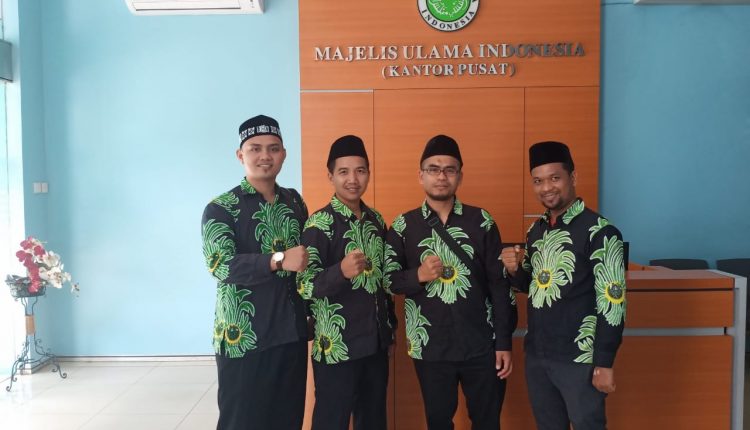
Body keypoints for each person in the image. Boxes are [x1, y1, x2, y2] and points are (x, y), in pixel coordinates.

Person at [385, 134, 517, 430]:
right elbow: (388, 280)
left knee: (487, 421)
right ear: (421, 175)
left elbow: (499, 285)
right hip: (429, 346)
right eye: (433, 169)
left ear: (460, 175)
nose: (441, 176)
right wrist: (418, 275)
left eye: (449, 169)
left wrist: (503, 342)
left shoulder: (481, 221)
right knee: (438, 422)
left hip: (481, 343)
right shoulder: (403, 226)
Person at [500, 140, 626, 430]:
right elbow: (532, 285)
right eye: (538, 181)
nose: (547, 187)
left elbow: (613, 303)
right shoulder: (536, 230)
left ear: (573, 177)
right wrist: (514, 270)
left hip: (580, 358)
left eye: (555, 178)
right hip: (538, 354)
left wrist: (604, 362)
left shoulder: (600, 232)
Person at [201, 114, 309, 430]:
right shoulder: (221, 207)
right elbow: (220, 265)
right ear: (240, 155)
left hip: (290, 333)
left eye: (273, 148)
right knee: (242, 421)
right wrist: (278, 260)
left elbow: (305, 262)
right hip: (244, 338)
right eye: (255, 148)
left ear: (284, 154)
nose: (265, 156)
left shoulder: (294, 202)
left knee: (287, 420)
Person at [297, 135, 396, 430]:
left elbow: (384, 283)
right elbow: (305, 285)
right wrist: (339, 271)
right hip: (336, 348)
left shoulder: (376, 221)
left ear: (368, 173)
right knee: (331, 421)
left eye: (360, 171)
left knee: (373, 420)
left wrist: (389, 330)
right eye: (343, 172)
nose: (353, 179)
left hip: (374, 345)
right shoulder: (318, 225)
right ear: (330, 176)